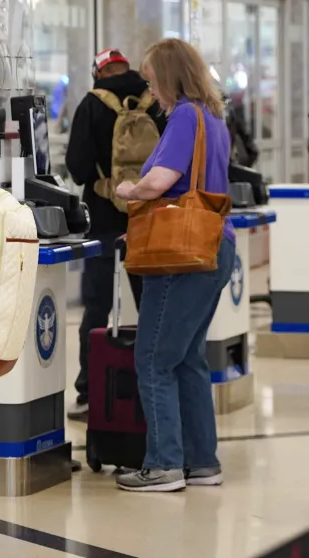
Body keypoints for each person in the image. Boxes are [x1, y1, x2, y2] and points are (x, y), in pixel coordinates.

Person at [114, 38, 234, 493]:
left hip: (180, 258)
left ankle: (163, 464)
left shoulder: (185, 115)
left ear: (169, 77)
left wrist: (129, 190)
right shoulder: (214, 117)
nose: (150, 93)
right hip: (214, 246)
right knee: (187, 360)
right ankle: (202, 461)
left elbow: (160, 182)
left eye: (152, 81)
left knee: (152, 360)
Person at [64, 48, 166, 420]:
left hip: (103, 222)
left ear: (98, 72)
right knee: (150, 306)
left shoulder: (92, 104)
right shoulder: (155, 101)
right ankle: (150, 388)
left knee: (96, 309)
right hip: (147, 219)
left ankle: (90, 391)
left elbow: (76, 167)